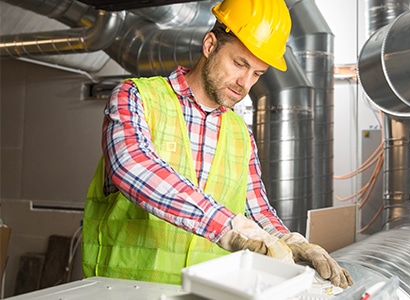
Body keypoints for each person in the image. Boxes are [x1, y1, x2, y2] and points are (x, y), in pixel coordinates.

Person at [81, 0, 353, 289]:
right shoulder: (135, 97)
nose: (245, 83)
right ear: (210, 45)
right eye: (239, 63)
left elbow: (256, 210)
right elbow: (132, 166)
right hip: (125, 291)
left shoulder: (240, 133)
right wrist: (229, 227)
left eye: (257, 74)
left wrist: (289, 240)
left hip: (204, 293)